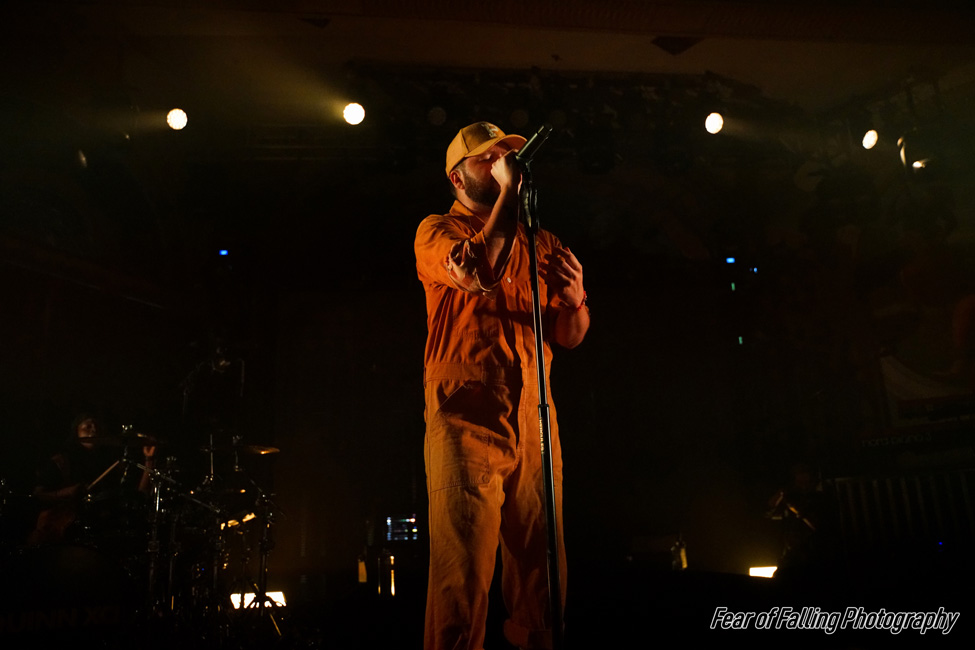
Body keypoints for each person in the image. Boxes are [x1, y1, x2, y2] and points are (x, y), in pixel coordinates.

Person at [414, 122, 589, 650]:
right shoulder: (436, 231)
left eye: (505, 158)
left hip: (534, 417)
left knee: (543, 572)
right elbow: (477, 271)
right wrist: (510, 193)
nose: (499, 164)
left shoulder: (542, 240)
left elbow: (569, 336)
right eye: (485, 160)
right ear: (456, 177)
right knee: (462, 574)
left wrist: (576, 298)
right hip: (466, 414)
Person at [27, 413, 156, 546]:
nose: (94, 429)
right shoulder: (61, 462)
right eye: (87, 426)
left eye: (97, 426)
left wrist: (149, 460)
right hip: (62, 532)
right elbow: (38, 495)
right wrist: (67, 492)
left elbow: (139, 494)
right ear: (76, 431)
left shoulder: (111, 463)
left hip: (102, 529)